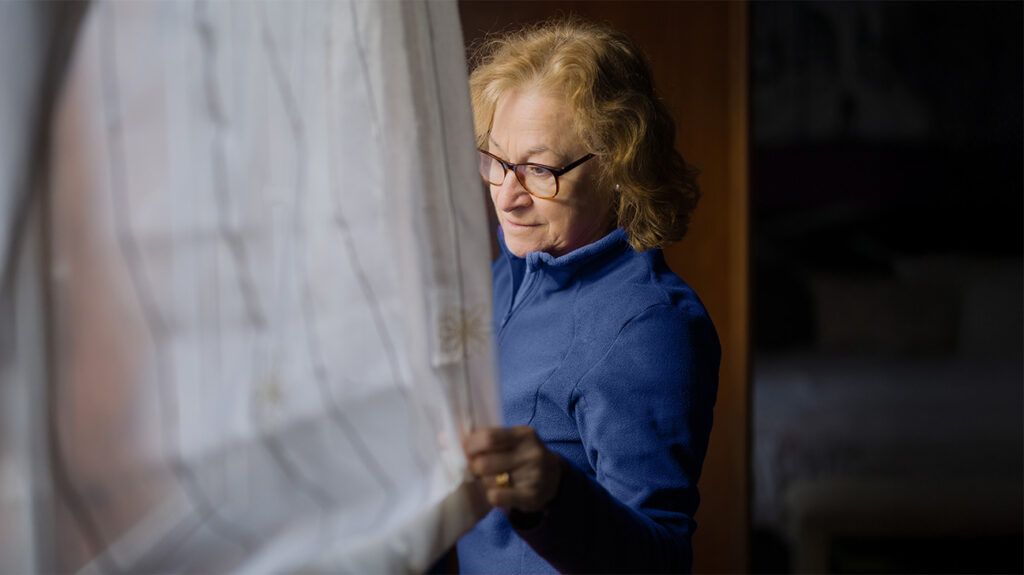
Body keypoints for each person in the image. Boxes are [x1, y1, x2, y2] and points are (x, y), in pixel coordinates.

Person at [456, 17, 721, 574]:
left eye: (539, 169)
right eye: (496, 160)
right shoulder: (507, 273)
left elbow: (662, 561)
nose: (507, 196)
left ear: (620, 166)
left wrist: (555, 495)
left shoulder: (650, 325)